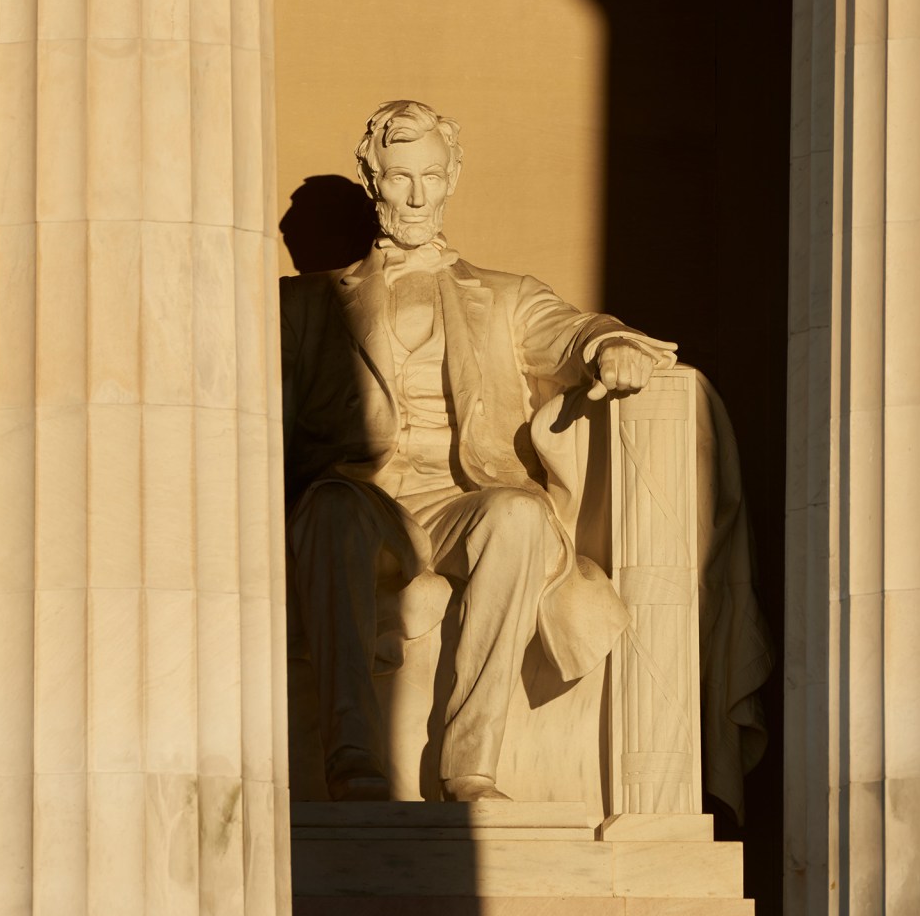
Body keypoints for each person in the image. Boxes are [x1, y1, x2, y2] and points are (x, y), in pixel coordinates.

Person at [280, 100, 675, 801]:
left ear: (453, 175)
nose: (417, 195)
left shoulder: (503, 296)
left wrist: (609, 345)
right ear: (373, 180)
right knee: (331, 511)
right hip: (366, 501)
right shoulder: (307, 306)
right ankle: (351, 761)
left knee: (519, 516)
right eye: (400, 177)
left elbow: (573, 331)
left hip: (463, 498)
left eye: (431, 175)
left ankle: (472, 767)